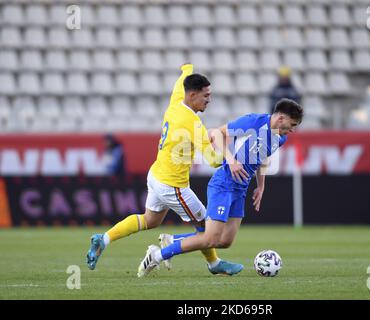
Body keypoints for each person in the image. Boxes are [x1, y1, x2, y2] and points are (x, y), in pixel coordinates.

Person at [86, 64, 246, 276]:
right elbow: (214, 161)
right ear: (193, 95)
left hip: (156, 175)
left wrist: (186, 71)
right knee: (207, 228)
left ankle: (104, 238)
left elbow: (180, 83)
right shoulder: (194, 124)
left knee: (149, 220)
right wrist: (228, 153)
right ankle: (213, 263)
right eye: (206, 95)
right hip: (174, 185)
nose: (209, 99)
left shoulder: (175, 104)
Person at [137, 98, 304, 277]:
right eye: (292, 124)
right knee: (210, 238)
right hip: (224, 183)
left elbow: (262, 157)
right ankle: (157, 255)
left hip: (241, 189)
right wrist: (231, 161)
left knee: (225, 241)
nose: (293, 130)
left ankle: (172, 240)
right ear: (280, 118)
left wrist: (260, 186)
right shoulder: (254, 122)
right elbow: (216, 133)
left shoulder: (281, 138)